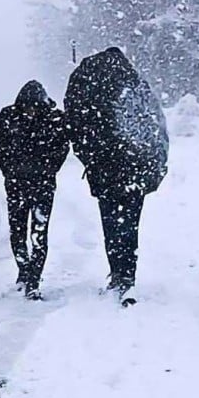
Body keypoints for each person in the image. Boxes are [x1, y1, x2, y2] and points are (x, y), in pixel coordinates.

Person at [64, 47, 168, 305]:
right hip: (136, 172)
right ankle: (127, 276)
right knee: (130, 225)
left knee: (111, 225)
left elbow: (77, 129)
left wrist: (90, 158)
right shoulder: (135, 88)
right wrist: (153, 166)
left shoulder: (91, 91)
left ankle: (117, 273)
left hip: (106, 173)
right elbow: (155, 128)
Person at [0, 80, 69, 300]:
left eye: (35, 107)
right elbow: (0, 146)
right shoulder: (8, 117)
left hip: (42, 186)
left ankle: (33, 279)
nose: (31, 112)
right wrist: (9, 171)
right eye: (27, 107)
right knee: (17, 232)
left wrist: (48, 170)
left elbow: (62, 147)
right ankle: (24, 270)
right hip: (17, 184)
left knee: (39, 234)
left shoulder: (54, 120)